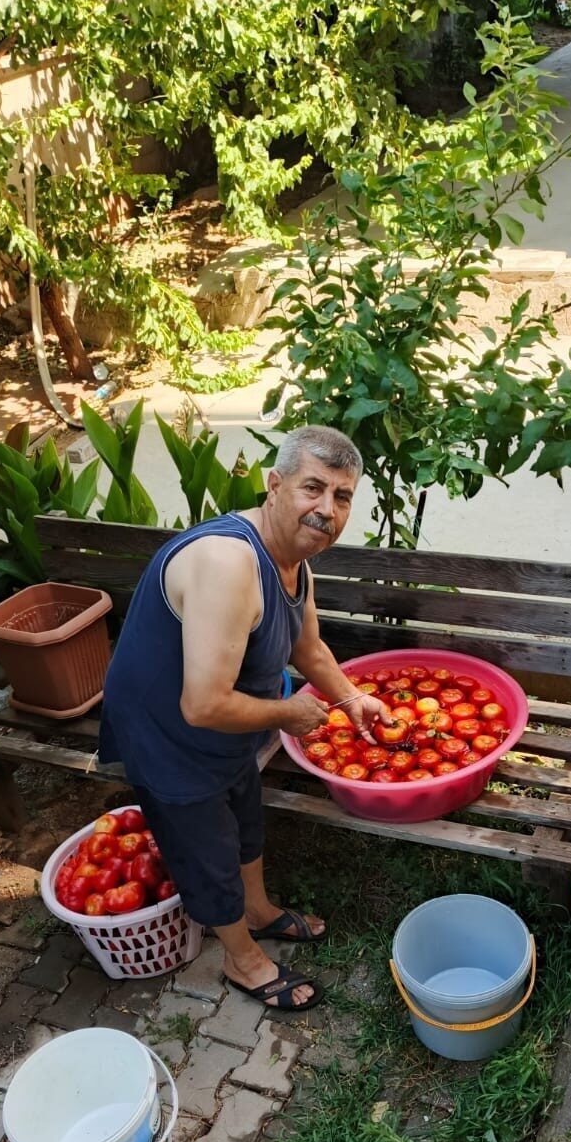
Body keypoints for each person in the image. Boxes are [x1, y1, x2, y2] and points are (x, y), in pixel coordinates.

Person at [98, 424, 391, 1010]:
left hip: (231, 721)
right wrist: (288, 712)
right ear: (274, 486)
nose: (326, 509)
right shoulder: (230, 562)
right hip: (168, 731)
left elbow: (307, 649)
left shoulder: (295, 560)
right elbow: (202, 704)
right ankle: (242, 958)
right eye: (313, 488)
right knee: (203, 847)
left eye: (341, 496)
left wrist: (350, 698)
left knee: (243, 817)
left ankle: (257, 911)